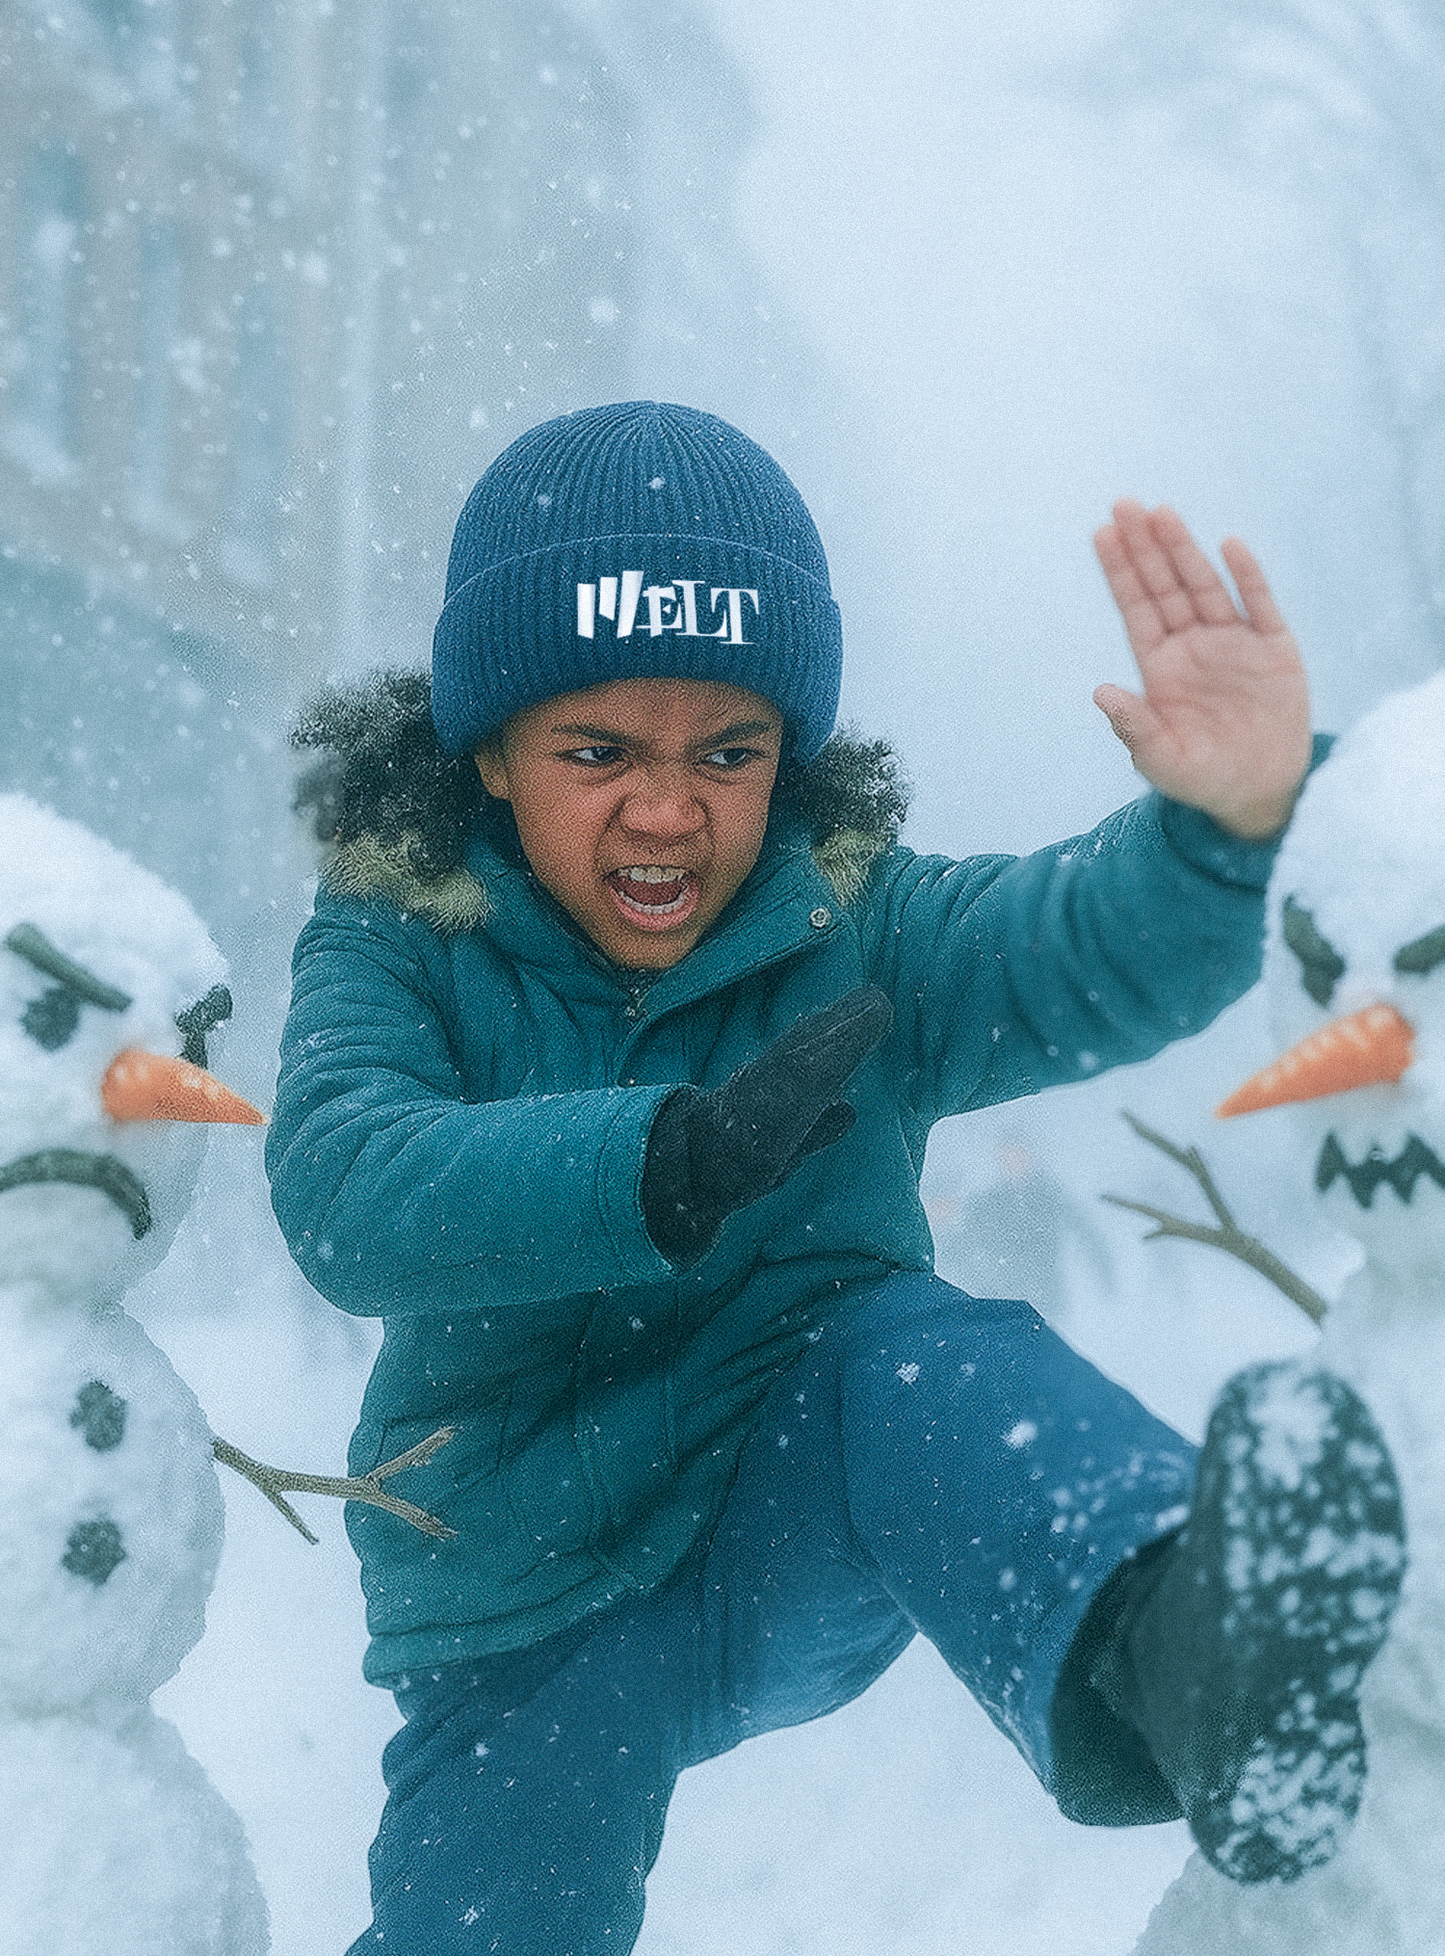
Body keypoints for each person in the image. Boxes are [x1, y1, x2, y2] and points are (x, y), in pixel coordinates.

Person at [267, 402, 1404, 1955]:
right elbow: (345, 1185)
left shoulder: (856, 927)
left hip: (794, 1492)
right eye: (597, 751)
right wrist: (663, 1160)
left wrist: (1228, 829)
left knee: (925, 1362)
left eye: (727, 754)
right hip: (523, 1595)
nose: (668, 813)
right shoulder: (397, 933)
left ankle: (1190, 1665)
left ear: (789, 755)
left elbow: (1079, 942)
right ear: (485, 752)